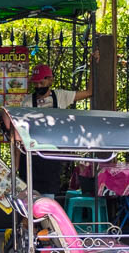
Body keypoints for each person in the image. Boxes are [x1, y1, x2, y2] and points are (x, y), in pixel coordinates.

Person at [18, 64, 92, 197]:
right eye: (36, 83)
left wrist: (93, 64)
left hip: (51, 157)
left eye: (41, 82)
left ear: (50, 80)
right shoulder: (27, 102)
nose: (38, 86)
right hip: (31, 157)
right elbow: (21, 133)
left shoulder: (61, 96)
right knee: (29, 199)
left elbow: (88, 92)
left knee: (48, 198)